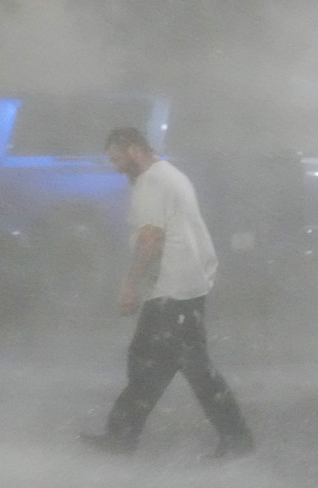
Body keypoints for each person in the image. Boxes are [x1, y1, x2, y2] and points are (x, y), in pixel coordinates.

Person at [80, 126, 255, 458]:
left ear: (134, 150)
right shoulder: (169, 174)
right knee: (151, 363)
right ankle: (122, 435)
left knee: (190, 369)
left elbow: (150, 239)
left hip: (173, 291)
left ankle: (236, 441)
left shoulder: (152, 183)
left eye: (117, 159)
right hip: (182, 286)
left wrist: (128, 286)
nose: (116, 168)